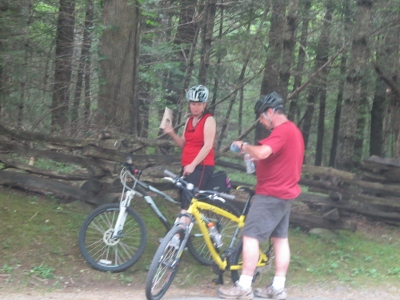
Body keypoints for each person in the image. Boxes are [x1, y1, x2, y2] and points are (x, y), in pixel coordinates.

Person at [217, 92, 304, 300]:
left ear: (271, 112)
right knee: (280, 239)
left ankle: (244, 286)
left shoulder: (281, 131)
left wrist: (245, 146)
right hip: (285, 193)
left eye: (262, 118)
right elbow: (276, 158)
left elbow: (264, 152)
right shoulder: (294, 131)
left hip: (271, 194)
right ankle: (278, 287)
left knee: (250, 236)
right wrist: (255, 158)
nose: (263, 123)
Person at [163, 85, 216, 229]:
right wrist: (172, 133)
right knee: (184, 200)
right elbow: (184, 144)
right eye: (193, 104)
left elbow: (208, 146)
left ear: (204, 104)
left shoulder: (208, 120)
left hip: (201, 166)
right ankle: (181, 233)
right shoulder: (189, 121)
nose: (196, 107)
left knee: (188, 201)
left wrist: (193, 164)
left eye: (199, 104)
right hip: (187, 166)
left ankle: (178, 236)